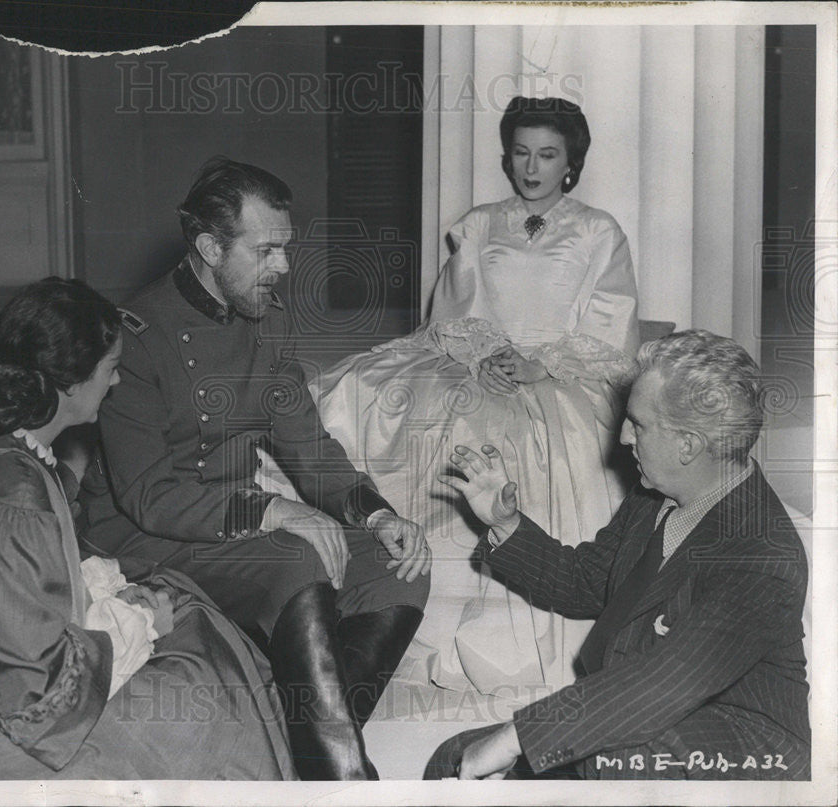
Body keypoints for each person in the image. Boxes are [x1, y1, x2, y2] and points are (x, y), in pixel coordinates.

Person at [77, 157, 431, 780]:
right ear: (211, 247)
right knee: (298, 558)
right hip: (146, 529)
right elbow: (148, 495)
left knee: (398, 565)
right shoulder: (136, 334)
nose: (284, 269)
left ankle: (305, 750)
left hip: (230, 513)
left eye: (285, 250)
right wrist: (274, 509)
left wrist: (375, 513)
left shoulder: (268, 323)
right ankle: (343, 780)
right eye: (266, 251)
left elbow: (307, 444)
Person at [0, 278, 296, 781]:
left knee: (188, 613)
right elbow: (35, 694)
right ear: (69, 381)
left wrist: (115, 604)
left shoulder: (7, 443)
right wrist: (135, 626)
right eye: (111, 369)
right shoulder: (15, 502)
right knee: (204, 692)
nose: (116, 384)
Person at [311, 96, 639, 694]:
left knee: (541, 452)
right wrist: (481, 354)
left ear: (571, 162)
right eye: (520, 153)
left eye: (547, 155)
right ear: (507, 157)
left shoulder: (598, 231)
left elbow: (608, 334)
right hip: (481, 361)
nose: (532, 167)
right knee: (383, 403)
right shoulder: (482, 222)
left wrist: (542, 366)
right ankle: (374, 585)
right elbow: (452, 316)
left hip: (560, 376)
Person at [424, 330, 810, 780]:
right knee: (457, 758)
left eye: (639, 424)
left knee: (580, 762)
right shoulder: (657, 495)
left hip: (738, 746)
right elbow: (587, 582)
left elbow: (668, 679)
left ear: (687, 445)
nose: (623, 436)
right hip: (640, 720)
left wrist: (519, 737)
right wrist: (504, 523)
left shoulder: (761, 553)